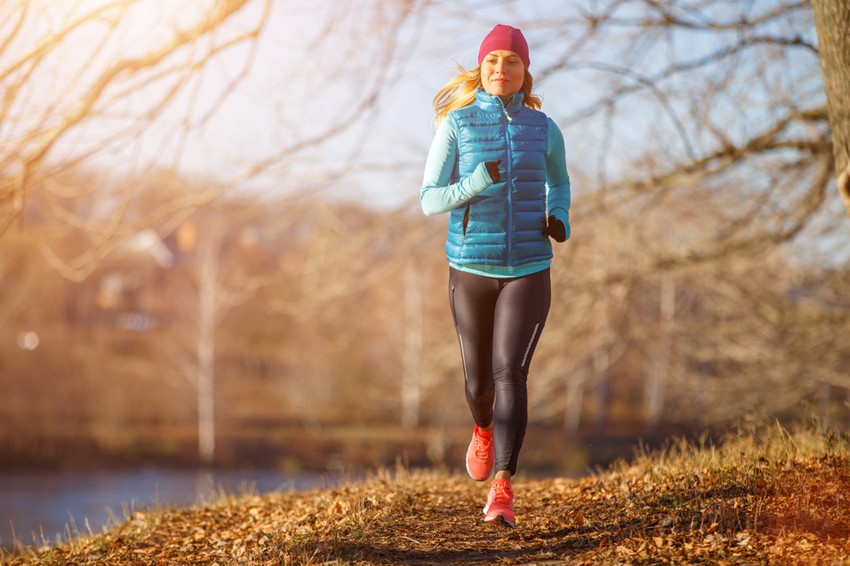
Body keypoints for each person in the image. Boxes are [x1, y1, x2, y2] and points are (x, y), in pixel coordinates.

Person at [420, 24, 571, 529]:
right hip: (470, 269)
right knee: (479, 382)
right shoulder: (457, 125)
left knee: (512, 374)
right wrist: (477, 181)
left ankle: (502, 488)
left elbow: (560, 180)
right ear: (480, 68)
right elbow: (429, 199)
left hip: (529, 267)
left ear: (525, 71)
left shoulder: (543, 127)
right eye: (491, 61)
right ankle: (482, 428)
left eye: (511, 61)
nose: (500, 70)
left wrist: (560, 216)